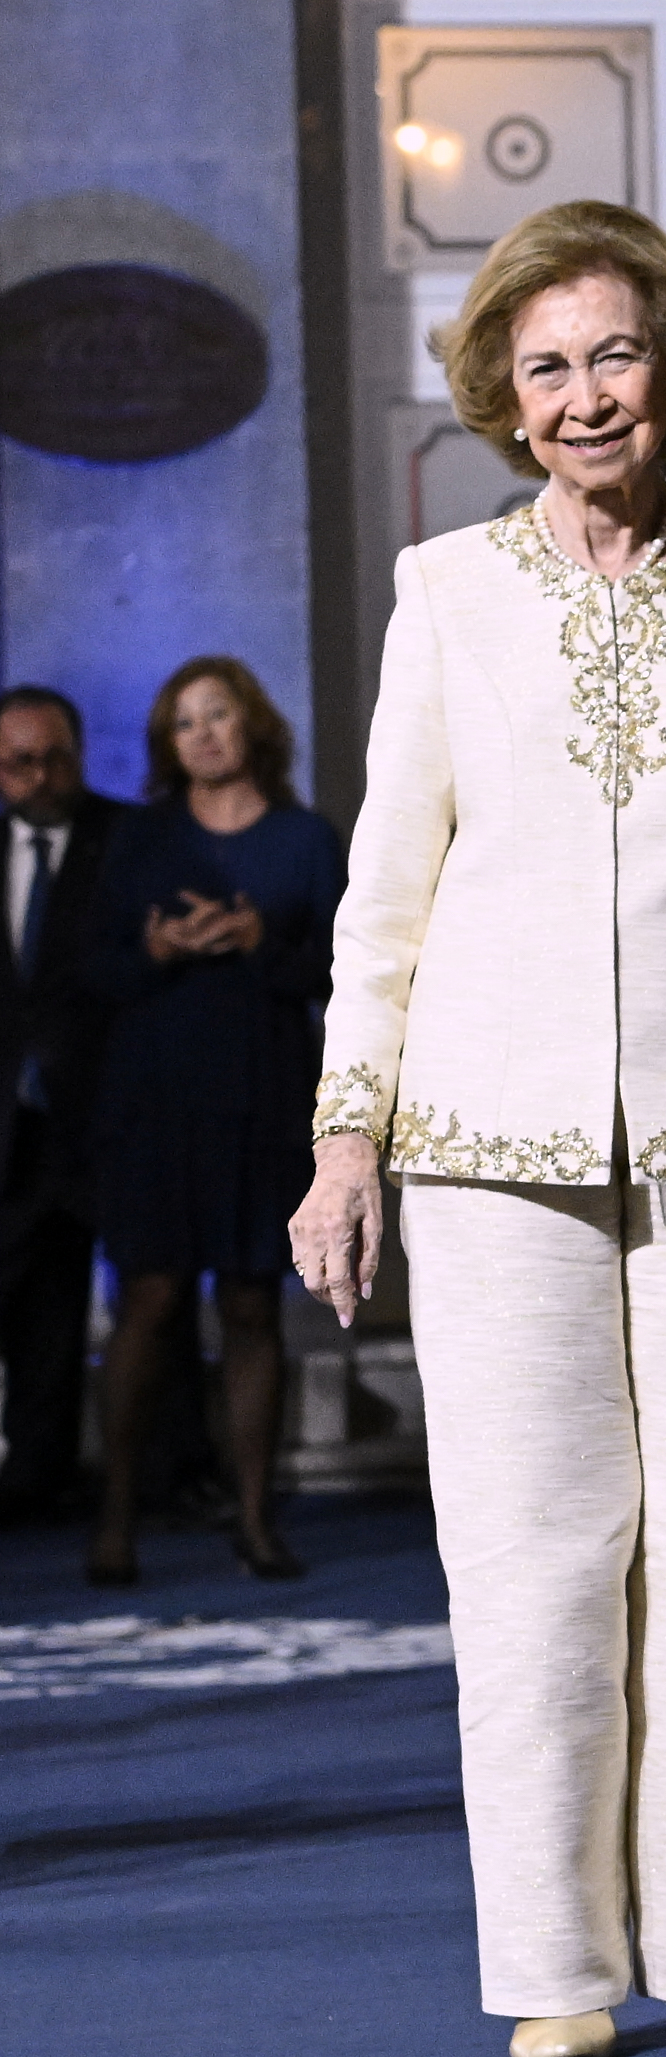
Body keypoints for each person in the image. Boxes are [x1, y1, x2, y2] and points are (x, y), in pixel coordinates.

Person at [290, 197, 666, 2057]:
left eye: (615, 355)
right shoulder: (443, 593)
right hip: (486, 1142)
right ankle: (554, 1966)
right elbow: (384, 890)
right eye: (546, 364)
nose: (582, 396)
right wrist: (346, 1140)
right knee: (533, 1560)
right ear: (501, 387)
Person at [80, 660, 345, 1587]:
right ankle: (114, 1520)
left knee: (249, 1303)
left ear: (252, 725)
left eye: (217, 715)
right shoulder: (139, 838)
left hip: (264, 1096)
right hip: (153, 1100)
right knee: (148, 1301)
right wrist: (157, 949)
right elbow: (93, 971)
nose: (202, 734)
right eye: (183, 722)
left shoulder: (306, 838)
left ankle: (258, 1519)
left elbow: (341, 969)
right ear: (168, 743)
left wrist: (258, 941)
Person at [0, 688, 123, 1528]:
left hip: (93, 1121)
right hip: (5, 1121)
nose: (42, 776)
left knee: (58, 1307)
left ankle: (41, 1481)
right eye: (21, 761)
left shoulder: (125, 841)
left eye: (57, 758)